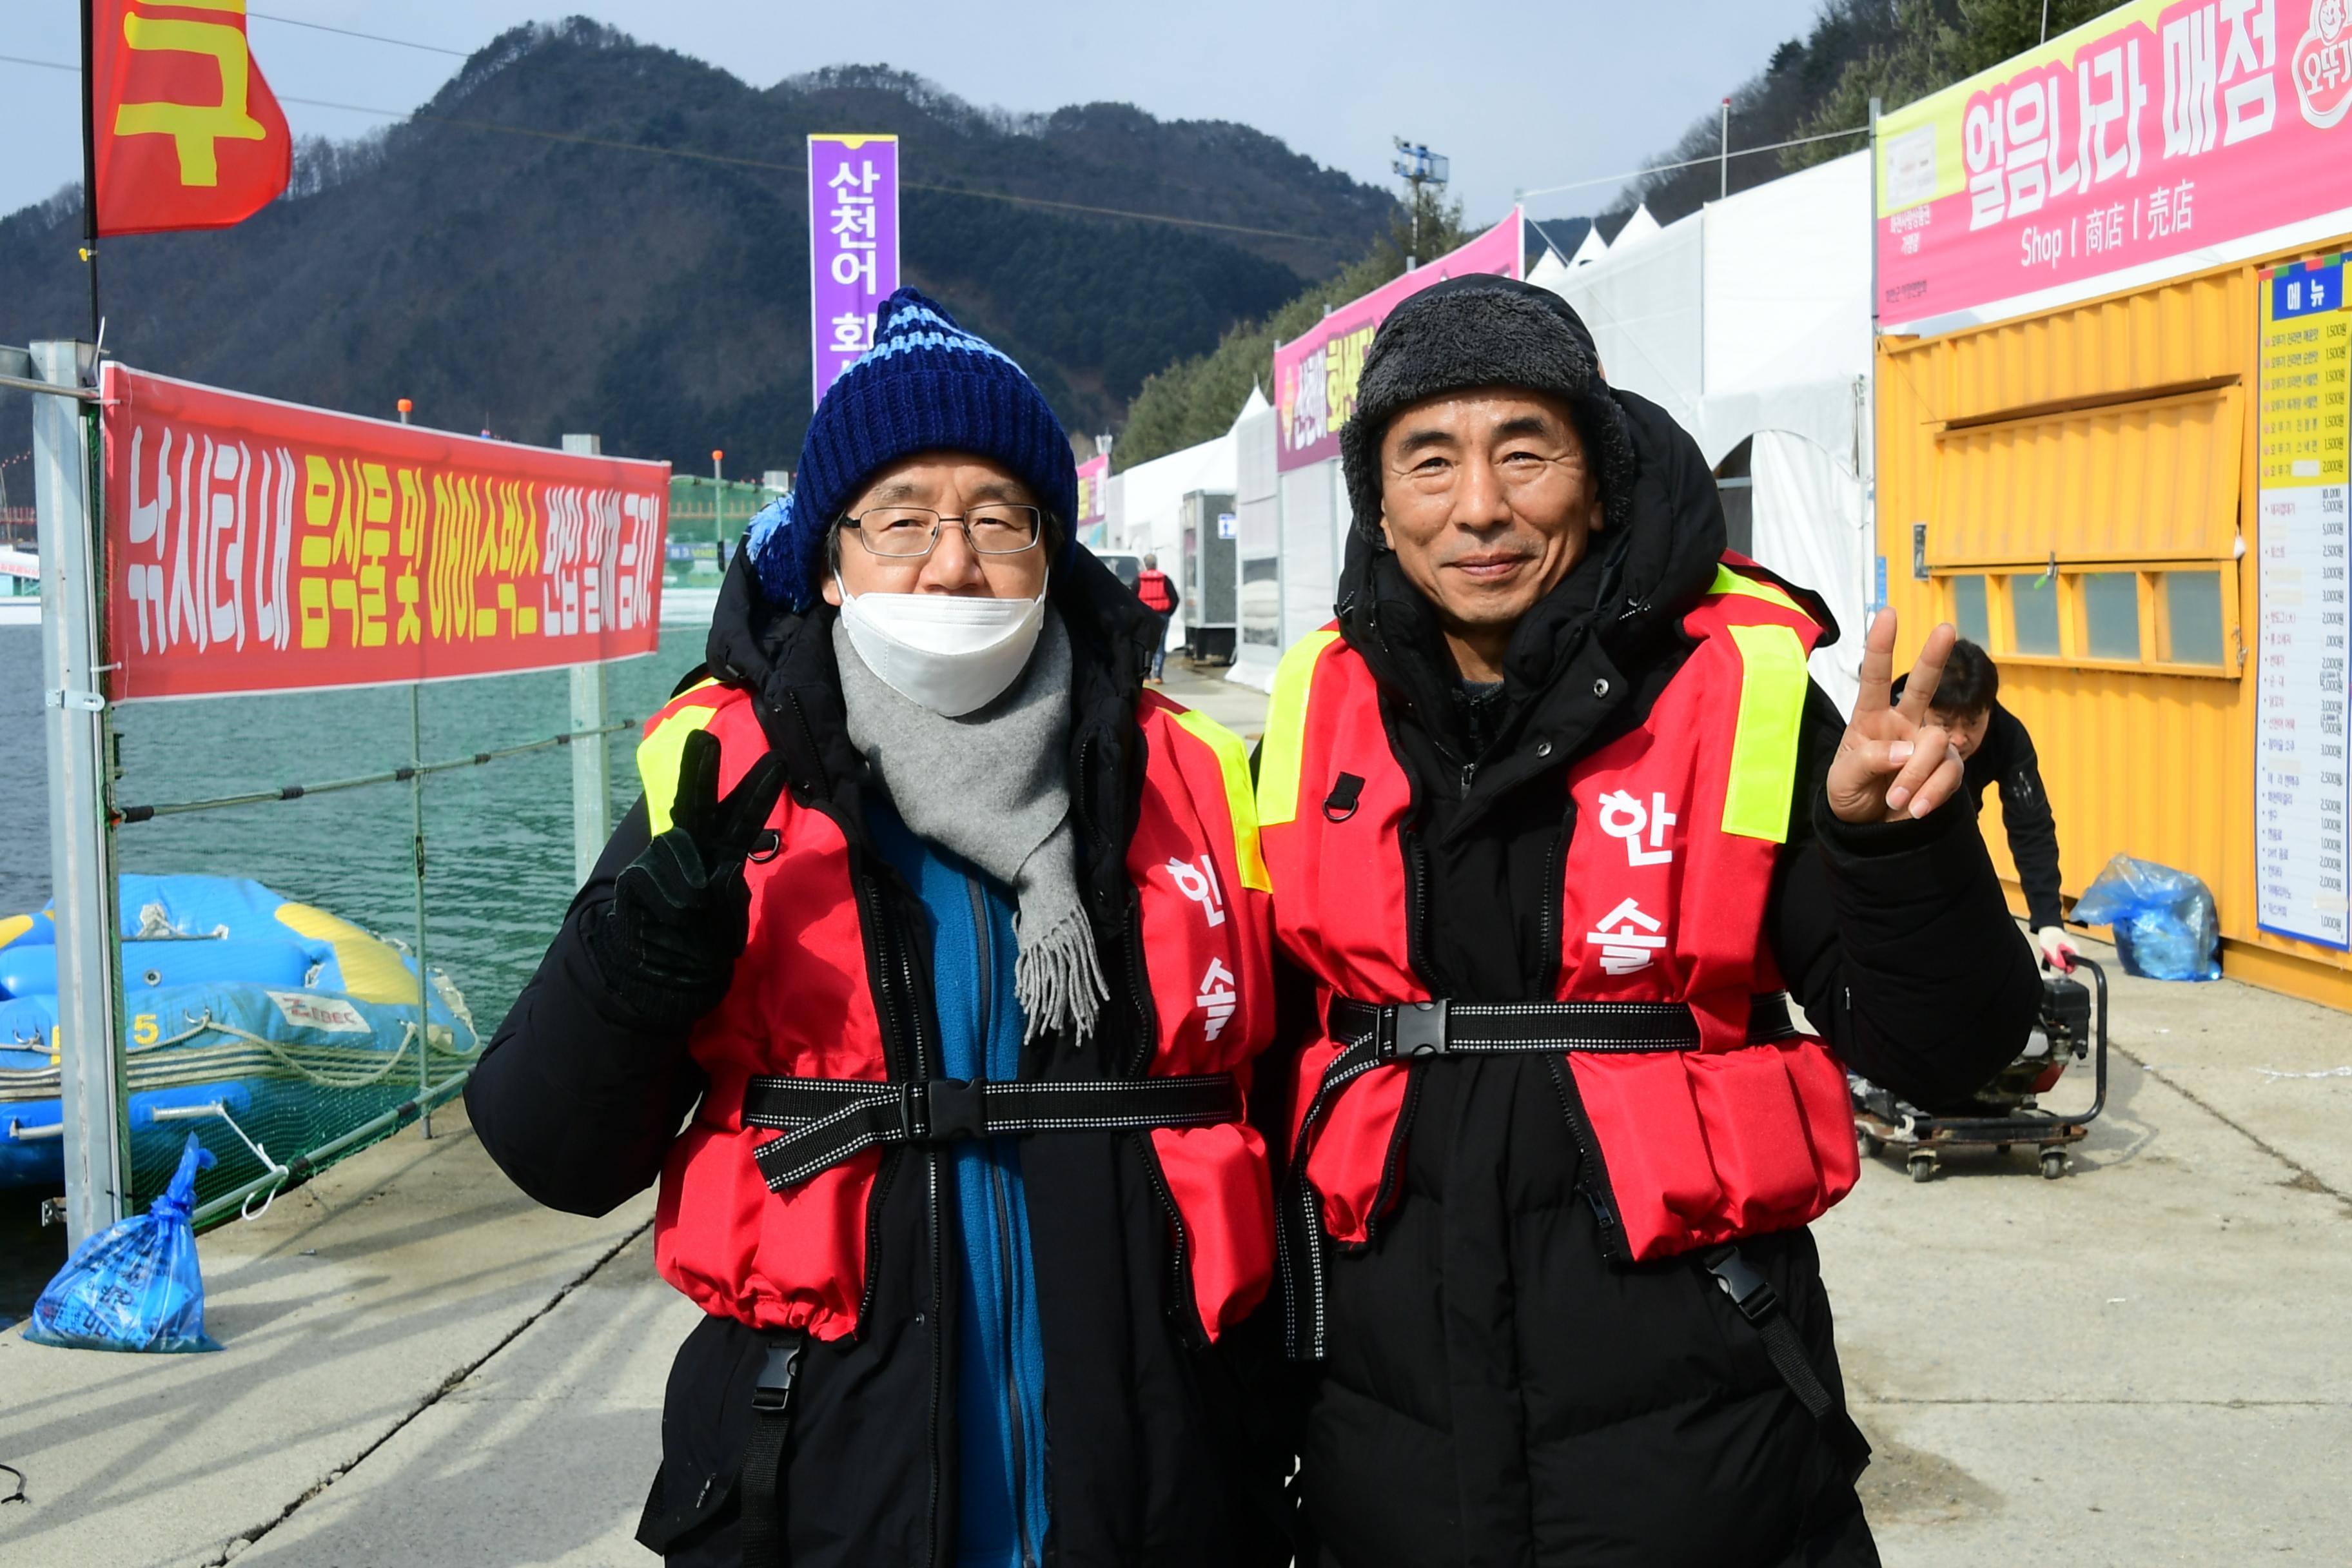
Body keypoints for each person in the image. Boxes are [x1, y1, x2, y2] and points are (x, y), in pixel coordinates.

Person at [467, 289, 1289, 1567]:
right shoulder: (730, 773)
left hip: (1154, 1487)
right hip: (822, 1488)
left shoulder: (1185, 773)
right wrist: (626, 974)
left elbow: (1286, 1106)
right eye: (902, 518)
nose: (951, 561)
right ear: (831, 558)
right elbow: (547, 1149)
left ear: (1049, 550)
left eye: (995, 519)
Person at [1254, 276, 2042, 1566]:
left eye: (1527, 450)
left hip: (1710, 1477)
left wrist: (1897, 849)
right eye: (1429, 460)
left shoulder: (1749, 692)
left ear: (1601, 477)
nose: (1480, 506)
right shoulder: (1314, 702)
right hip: (1385, 1478)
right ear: (1379, 502)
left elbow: (1945, 1047)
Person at [1894, 640, 2075, 970]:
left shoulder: (2008, 736)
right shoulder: (1891, 722)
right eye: (1946, 724)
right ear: (1924, 708)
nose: (1960, 739)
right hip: (1888, 854)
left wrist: (2049, 920)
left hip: (1956, 842)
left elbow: (2031, 825)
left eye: (1973, 723)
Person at [1134, 552, 1179, 683]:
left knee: (1145, 645)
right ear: (1156, 564)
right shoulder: (1164, 579)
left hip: (1145, 617)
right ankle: (1158, 675)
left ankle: (1146, 676)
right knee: (1160, 645)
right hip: (1162, 616)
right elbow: (1175, 598)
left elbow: (1132, 597)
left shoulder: (1139, 580)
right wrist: (1168, 613)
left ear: (1146, 566)